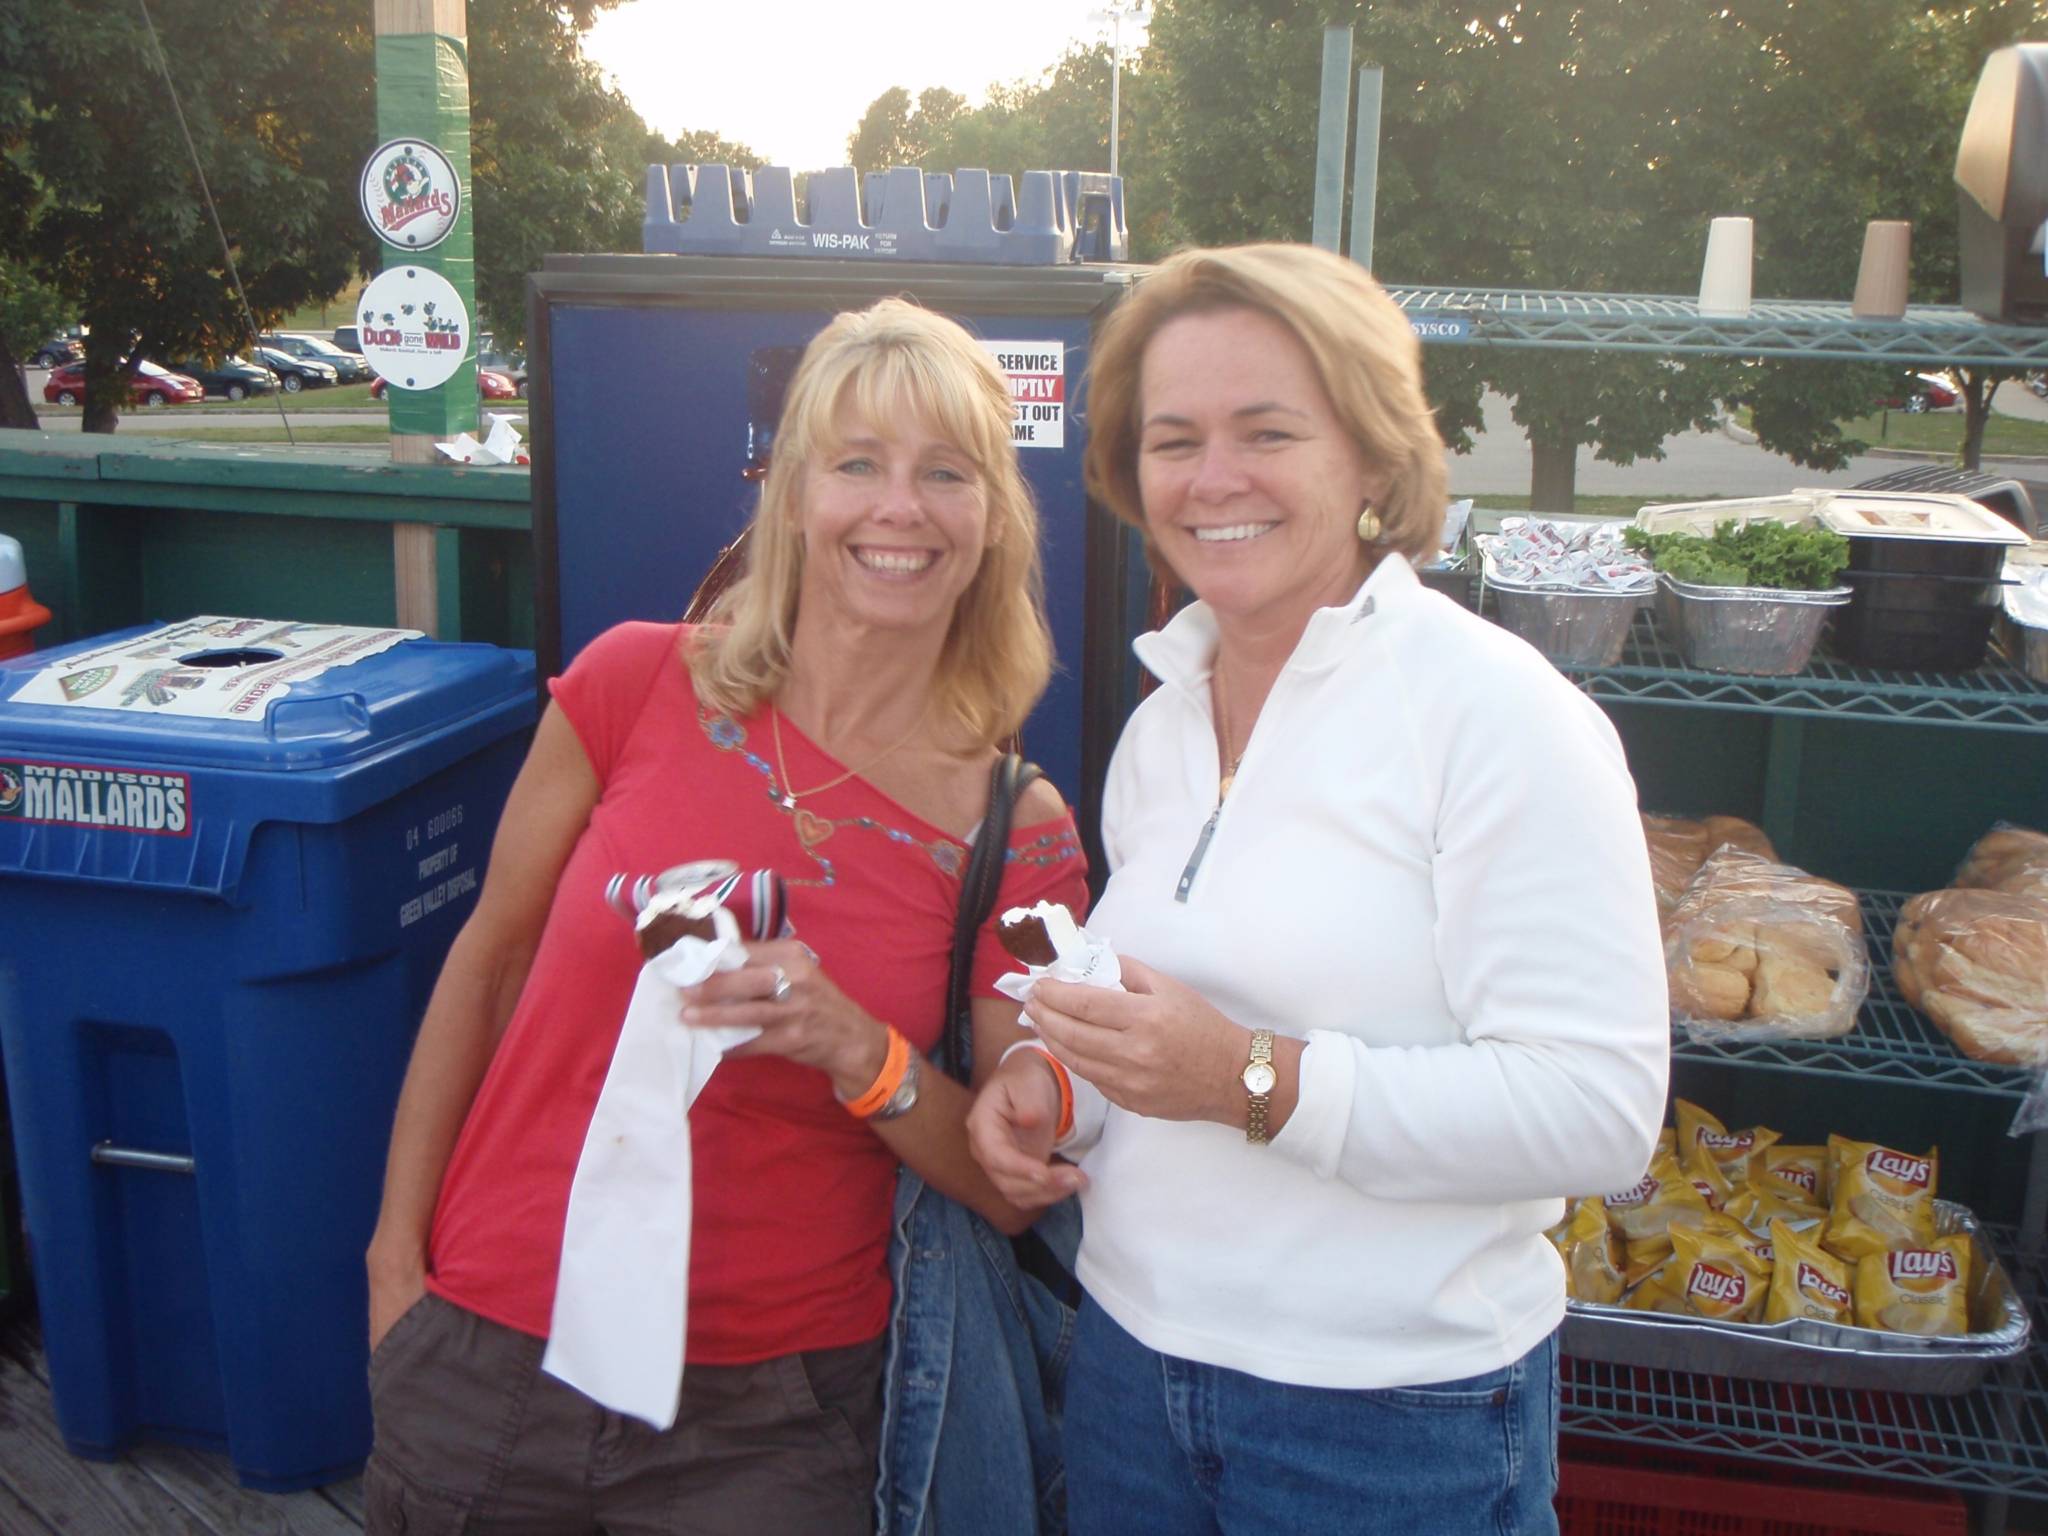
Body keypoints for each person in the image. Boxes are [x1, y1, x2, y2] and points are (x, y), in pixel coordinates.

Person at [967, 243, 1669, 1536]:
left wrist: (1247, 1079)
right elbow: (1172, 1016)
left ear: (1374, 460)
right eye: (1173, 440)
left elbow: (1598, 1115)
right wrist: (1058, 1089)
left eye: (1268, 432)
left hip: (1388, 1425)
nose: (1212, 478)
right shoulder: (1163, 721)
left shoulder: (1498, 717)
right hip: (1126, 1371)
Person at [363, 297, 1087, 1536]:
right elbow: (486, 966)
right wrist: (394, 1267)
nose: (897, 508)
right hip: (489, 1346)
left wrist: (860, 1052)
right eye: (855, 465)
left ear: (993, 520)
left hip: (773, 1420)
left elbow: (1010, 1184)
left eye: (944, 472)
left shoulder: (1018, 834)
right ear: (794, 496)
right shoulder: (630, 682)